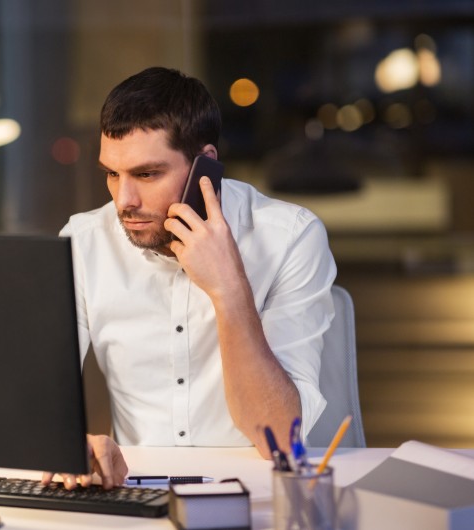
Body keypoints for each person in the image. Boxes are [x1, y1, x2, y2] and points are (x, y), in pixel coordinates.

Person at [43, 67, 336, 490]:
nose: (124, 201)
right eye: (112, 173)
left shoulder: (290, 237)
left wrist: (228, 287)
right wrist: (71, 444)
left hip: (260, 491)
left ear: (206, 165)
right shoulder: (85, 241)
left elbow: (279, 441)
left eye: (146, 174)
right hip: (133, 492)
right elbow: (39, 392)